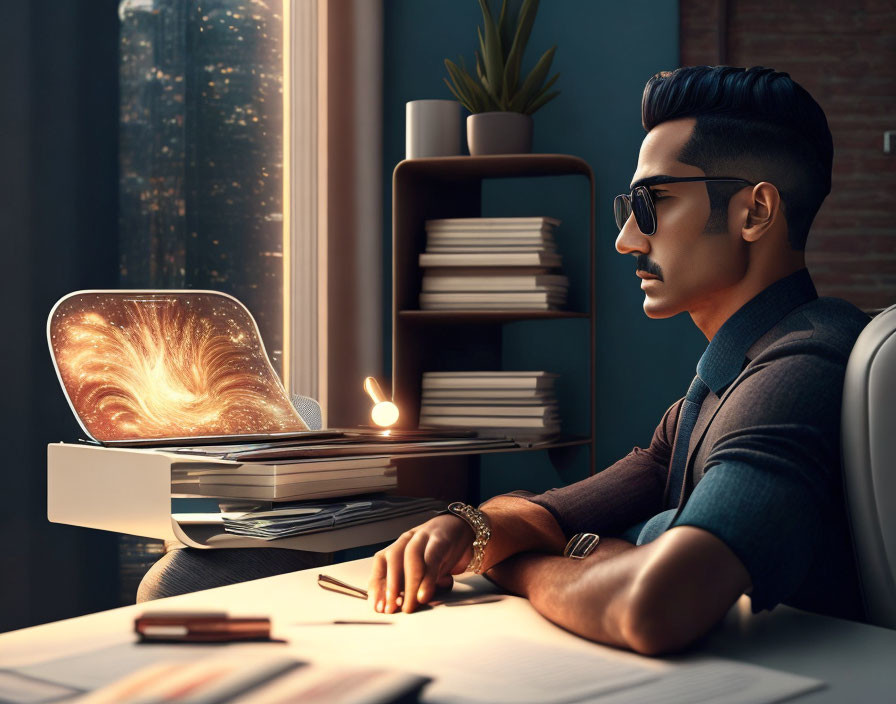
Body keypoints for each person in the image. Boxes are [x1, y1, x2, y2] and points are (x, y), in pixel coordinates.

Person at [365, 65, 870, 655]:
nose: (626, 238)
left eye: (651, 203)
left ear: (754, 213)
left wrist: (518, 568)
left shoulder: (799, 368)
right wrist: (470, 530)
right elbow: (548, 513)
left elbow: (654, 607)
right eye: (626, 208)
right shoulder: (717, 386)